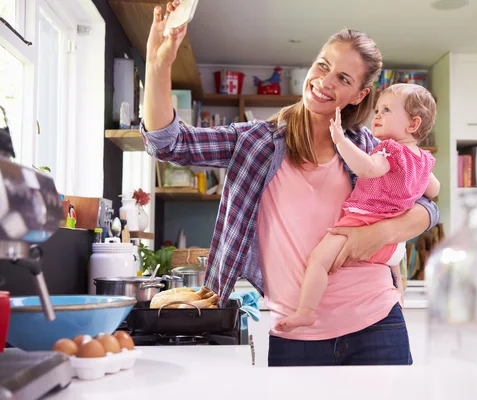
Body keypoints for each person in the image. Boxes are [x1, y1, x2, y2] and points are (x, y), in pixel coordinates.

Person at [141, 1, 440, 366]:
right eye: (323, 65)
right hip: (295, 334)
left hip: (376, 324)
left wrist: (378, 234)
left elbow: (428, 204)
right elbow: (169, 143)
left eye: (344, 79)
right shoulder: (256, 142)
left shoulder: (368, 148)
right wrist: (159, 66)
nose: (325, 82)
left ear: (359, 96)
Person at [275, 84, 439, 332]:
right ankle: (398, 291)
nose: (377, 115)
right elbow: (434, 190)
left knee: (318, 261)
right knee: (392, 277)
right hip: (394, 248)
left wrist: (340, 140)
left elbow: (367, 169)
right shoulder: (424, 160)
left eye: (386, 110)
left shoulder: (389, 149)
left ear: (412, 125)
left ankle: (306, 312)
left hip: (362, 222)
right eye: (377, 109)